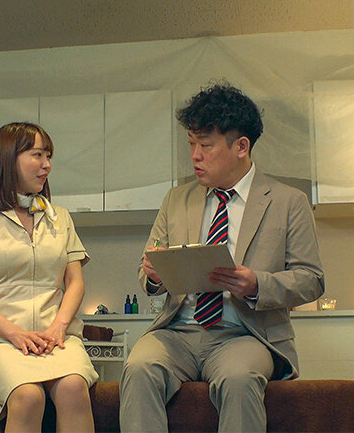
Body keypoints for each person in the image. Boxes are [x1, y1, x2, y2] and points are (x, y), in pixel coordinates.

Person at [119, 81, 325, 432]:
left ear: (241, 146)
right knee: (138, 367)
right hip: (177, 332)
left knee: (239, 378)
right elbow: (147, 269)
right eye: (191, 144)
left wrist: (257, 284)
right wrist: (154, 275)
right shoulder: (176, 199)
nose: (195, 155)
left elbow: (312, 279)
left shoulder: (288, 202)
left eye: (205, 145)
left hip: (246, 333)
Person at [0, 122, 97, 432]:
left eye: (48, 156)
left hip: (57, 339)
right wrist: (16, 334)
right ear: (8, 158)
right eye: (37, 155)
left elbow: (75, 282)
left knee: (73, 388)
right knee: (28, 395)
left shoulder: (60, 217)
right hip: (0, 341)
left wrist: (59, 327)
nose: (47, 165)